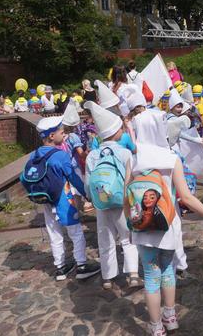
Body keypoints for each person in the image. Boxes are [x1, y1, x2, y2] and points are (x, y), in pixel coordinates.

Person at [125, 119, 203, 336]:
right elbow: (187, 198)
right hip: (168, 227)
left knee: (151, 277)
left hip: (143, 229)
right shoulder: (172, 158)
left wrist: (131, 224)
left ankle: (156, 327)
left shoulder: (133, 159)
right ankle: (170, 317)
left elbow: (126, 198)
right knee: (167, 270)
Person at [27, 116, 101, 281]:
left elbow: (24, 178)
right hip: (64, 199)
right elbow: (73, 178)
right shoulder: (60, 155)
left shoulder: (34, 154)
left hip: (46, 201)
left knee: (54, 233)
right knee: (75, 232)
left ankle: (60, 267)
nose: (64, 135)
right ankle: (82, 265)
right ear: (52, 136)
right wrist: (87, 193)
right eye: (61, 132)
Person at [85, 102, 141, 290]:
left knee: (105, 238)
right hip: (122, 202)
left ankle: (107, 277)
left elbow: (88, 183)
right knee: (128, 237)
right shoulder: (125, 152)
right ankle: (133, 274)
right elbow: (131, 179)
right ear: (117, 131)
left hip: (102, 203)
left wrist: (91, 199)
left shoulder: (92, 155)